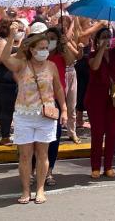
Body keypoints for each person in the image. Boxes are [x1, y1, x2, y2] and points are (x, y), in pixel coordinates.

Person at [0, 22, 67, 205]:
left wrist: (65, 109)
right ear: (32, 49)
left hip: (46, 115)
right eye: (41, 48)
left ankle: (40, 189)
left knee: (43, 154)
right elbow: (4, 59)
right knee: (26, 155)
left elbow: (58, 88)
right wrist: (12, 36)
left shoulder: (51, 66)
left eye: (46, 48)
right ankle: (26, 190)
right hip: (24, 116)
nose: (45, 51)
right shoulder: (21, 65)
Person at [86, 25, 115, 179]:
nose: (106, 39)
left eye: (108, 36)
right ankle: (95, 167)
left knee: (112, 133)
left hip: (114, 97)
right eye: (103, 36)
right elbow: (95, 66)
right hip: (96, 98)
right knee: (98, 133)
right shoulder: (92, 54)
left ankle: (108, 166)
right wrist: (101, 49)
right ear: (97, 40)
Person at [44, 25, 78, 184]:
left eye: (52, 38)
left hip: (57, 99)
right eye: (47, 38)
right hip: (39, 99)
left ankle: (49, 171)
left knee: (54, 136)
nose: (49, 41)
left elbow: (71, 61)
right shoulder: (39, 53)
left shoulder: (61, 53)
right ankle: (34, 169)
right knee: (40, 136)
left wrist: (65, 44)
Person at [0, 18, 26, 145]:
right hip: (5, 79)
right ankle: (4, 136)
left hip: (20, 79)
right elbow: (1, 58)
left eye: (22, 30)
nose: (20, 32)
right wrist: (13, 57)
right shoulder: (3, 41)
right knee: (7, 109)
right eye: (18, 29)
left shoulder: (23, 42)